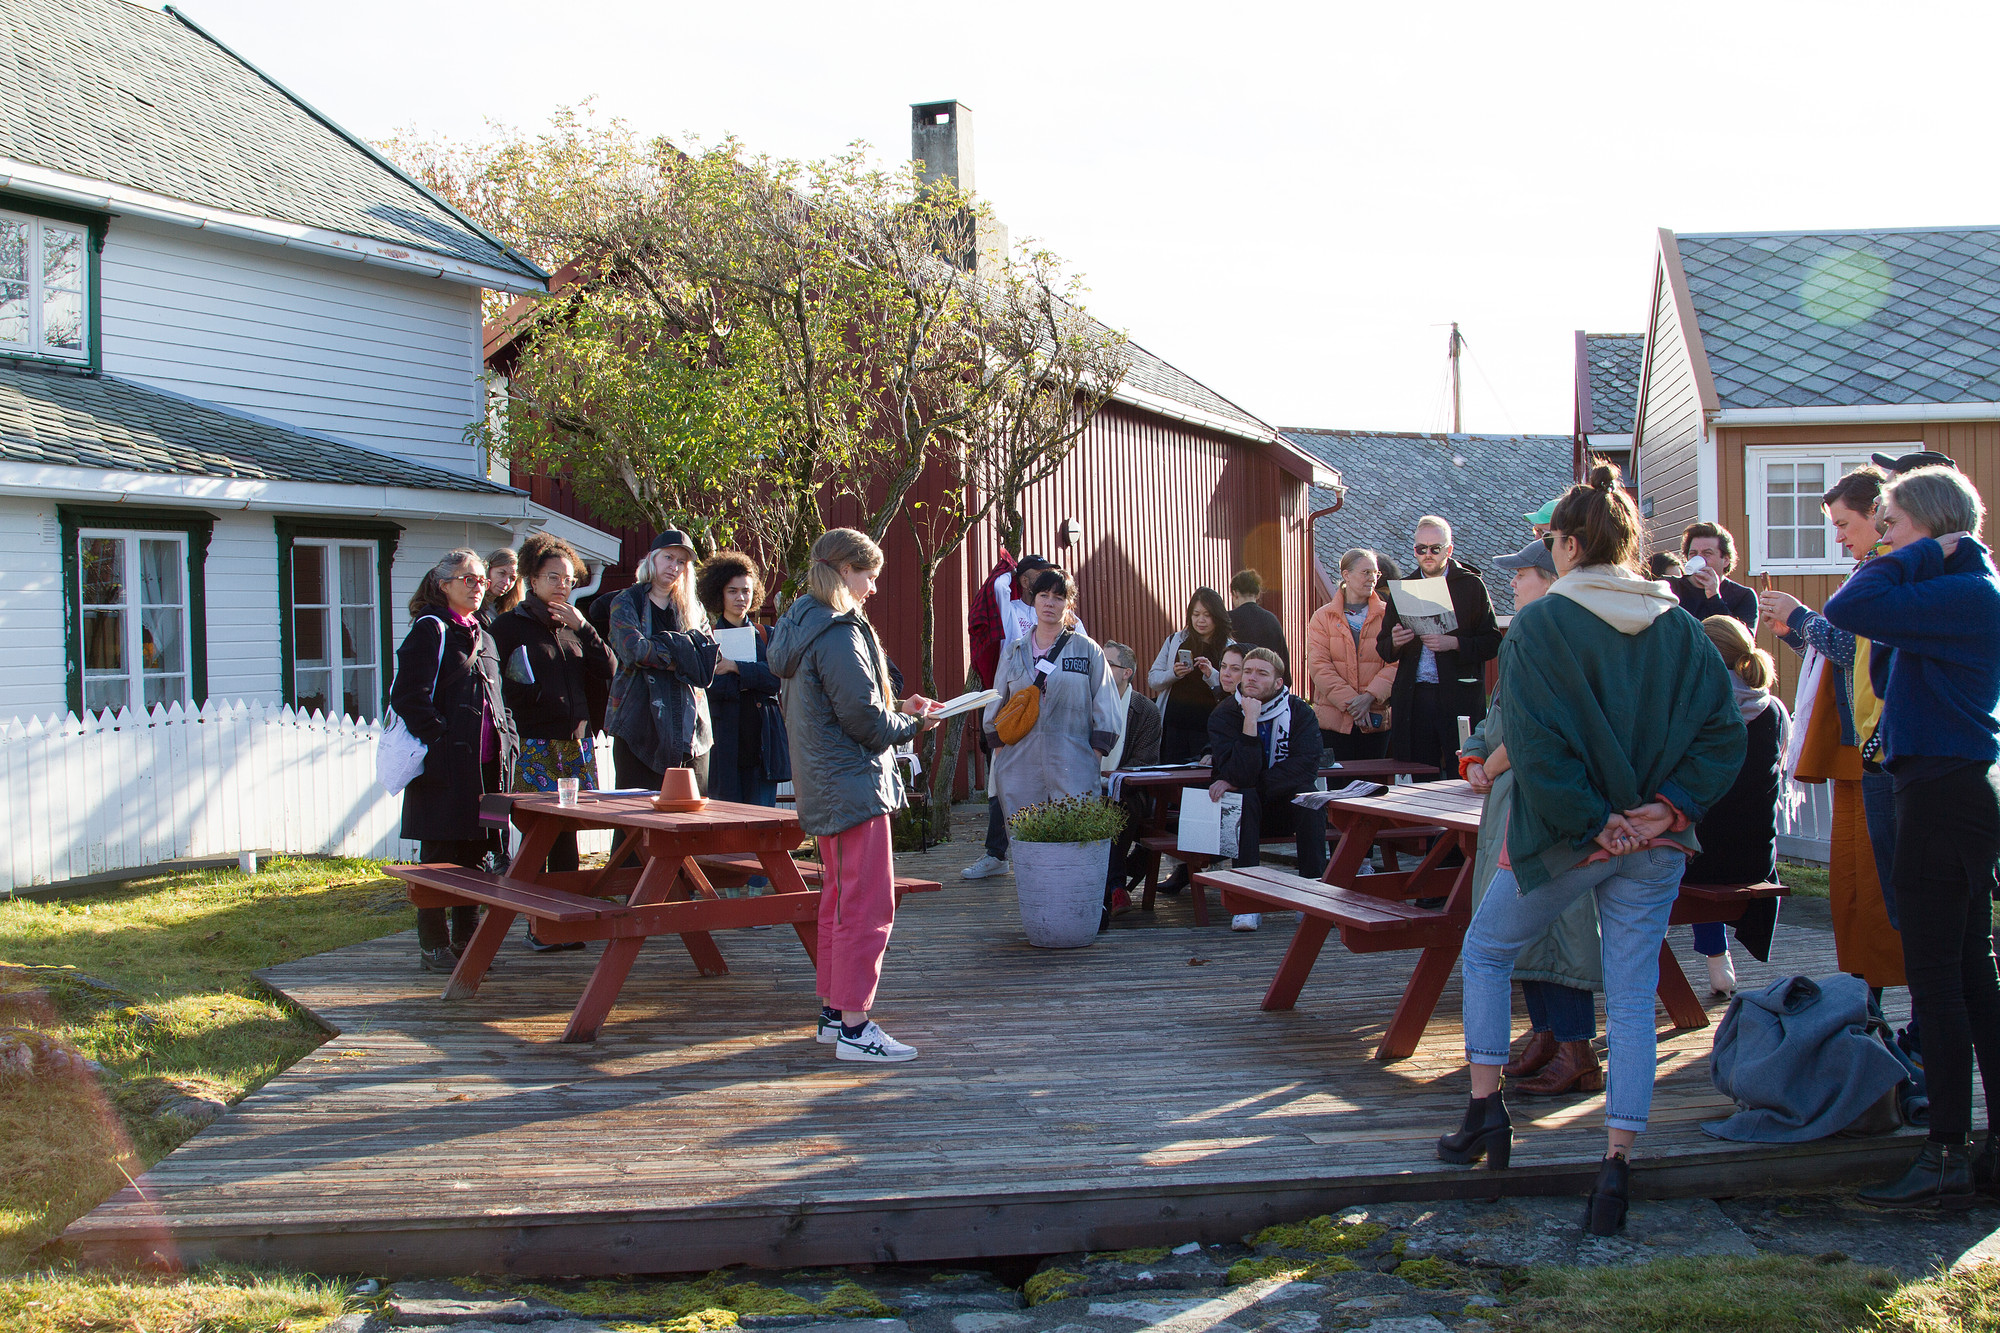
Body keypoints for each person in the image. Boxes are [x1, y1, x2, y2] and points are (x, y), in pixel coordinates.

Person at [1438, 464, 1744, 1238]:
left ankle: (1485, 1115)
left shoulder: (1540, 626)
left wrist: (1595, 822)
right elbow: (1725, 730)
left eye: (1550, 541)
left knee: (1486, 950)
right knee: (1634, 996)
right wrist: (1668, 807)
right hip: (1658, 838)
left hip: (1571, 838)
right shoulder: (1677, 624)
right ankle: (1616, 1167)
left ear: (1567, 544)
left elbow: (1535, 745)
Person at [1825, 465, 2000, 1210]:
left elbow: (1852, 601)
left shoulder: (1961, 589)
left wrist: (1934, 547)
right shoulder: (1961, 590)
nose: (1880, 538)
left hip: (1942, 790)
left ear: (1929, 526)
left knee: (1939, 977)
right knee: (1968, 977)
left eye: (1891, 523)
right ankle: (1977, 1153)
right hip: (1949, 788)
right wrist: (1937, 546)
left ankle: (1944, 1159)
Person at [769, 528, 938, 1063]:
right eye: (868, 575)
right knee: (867, 905)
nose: (872, 587)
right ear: (844, 571)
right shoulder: (838, 631)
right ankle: (855, 1027)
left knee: (839, 901)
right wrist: (910, 724)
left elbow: (846, 705)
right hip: (851, 785)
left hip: (828, 784)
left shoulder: (801, 621)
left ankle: (833, 1012)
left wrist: (898, 710)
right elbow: (862, 718)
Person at [1462, 536, 1606, 1099]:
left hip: (1544, 800)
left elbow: (1539, 728)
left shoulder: (1558, 637)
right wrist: (1474, 754)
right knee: (1522, 931)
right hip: (1510, 801)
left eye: (1521, 574)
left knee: (1560, 925)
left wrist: (1494, 763)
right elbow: (1498, 714)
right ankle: (1545, 1033)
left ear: (1549, 578)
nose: (1513, 583)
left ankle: (1576, 1045)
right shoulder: (1527, 635)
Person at [1756, 466, 1906, 995]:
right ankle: (1862, 991)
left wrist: (1800, 618)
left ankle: (1881, 997)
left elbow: (1853, 647)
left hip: (1874, 751)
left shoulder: (1889, 571)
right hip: (1852, 750)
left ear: (1878, 516)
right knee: (1850, 885)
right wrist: (1798, 635)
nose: (1838, 536)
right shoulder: (1873, 569)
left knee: (1874, 884)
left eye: (1844, 524)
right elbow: (1845, 660)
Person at [390, 549, 520, 973]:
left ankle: (469, 943)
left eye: (482, 580)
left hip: (488, 767)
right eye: (468, 579)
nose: (478, 586)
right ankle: (433, 947)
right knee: (439, 860)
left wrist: (509, 737)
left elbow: (498, 696)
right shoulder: (431, 629)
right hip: (447, 768)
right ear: (443, 583)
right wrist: (441, 740)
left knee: (481, 855)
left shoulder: (484, 631)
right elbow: (408, 696)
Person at [492, 532, 616, 951]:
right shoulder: (508, 626)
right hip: (533, 744)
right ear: (531, 578)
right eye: (552, 577)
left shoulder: (575, 625)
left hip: (575, 745)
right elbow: (500, 685)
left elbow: (609, 668)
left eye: (569, 578)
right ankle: (538, 925)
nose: (562, 585)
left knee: (570, 835)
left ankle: (567, 923)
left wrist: (584, 629)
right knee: (536, 837)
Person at [1682, 615, 1789, 996]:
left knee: (1659, 850)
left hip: (1701, 860)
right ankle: (1718, 962)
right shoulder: (1774, 710)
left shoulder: (1696, 708)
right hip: (1759, 857)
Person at [985, 565, 1122, 818]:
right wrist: (1002, 755)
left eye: (1058, 598)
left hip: (1074, 765)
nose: (1050, 603)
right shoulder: (1013, 652)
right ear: (1034, 600)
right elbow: (995, 703)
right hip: (1020, 766)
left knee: (1075, 839)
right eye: (1043, 596)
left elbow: (1107, 707)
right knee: (1025, 839)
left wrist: (1094, 756)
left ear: (1068, 605)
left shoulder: (1087, 650)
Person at [1207, 646, 1327, 933]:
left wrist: (1254, 784)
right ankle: (1247, 902)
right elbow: (1235, 773)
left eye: (1261, 673)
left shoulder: (1299, 712)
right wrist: (1250, 721)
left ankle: (1312, 896)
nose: (1251, 678)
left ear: (1277, 683)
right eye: (1247, 671)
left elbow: (1305, 766)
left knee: (1308, 796)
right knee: (1244, 797)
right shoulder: (1224, 714)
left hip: (1283, 803)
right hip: (1243, 813)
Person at [1377, 515, 1501, 779]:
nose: (1428, 554)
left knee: (1463, 774)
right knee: (1421, 775)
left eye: (1435, 548)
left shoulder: (1470, 585)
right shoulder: (1404, 587)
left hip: (1458, 695)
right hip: (1415, 697)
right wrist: (1396, 643)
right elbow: (1383, 648)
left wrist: (1454, 643)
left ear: (1449, 550)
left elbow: (1492, 642)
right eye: (1421, 549)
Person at [962, 554, 1059, 881]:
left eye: (1047, 583)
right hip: (1015, 713)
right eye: (1032, 580)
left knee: (1051, 787)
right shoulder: (1013, 611)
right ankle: (996, 854)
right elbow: (997, 590)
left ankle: (1048, 855)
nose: (1039, 588)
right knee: (1000, 785)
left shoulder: (1065, 619)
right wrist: (1007, 568)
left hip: (1053, 718)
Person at [606, 530, 717, 791]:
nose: (674, 566)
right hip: (639, 723)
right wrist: (681, 652)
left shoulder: (693, 608)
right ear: (652, 559)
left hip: (692, 729)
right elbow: (634, 650)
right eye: (668, 557)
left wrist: (663, 651)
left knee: (691, 816)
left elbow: (710, 658)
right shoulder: (627, 601)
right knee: (634, 819)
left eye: (681, 562)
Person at [696, 550, 786, 810]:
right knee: (726, 826)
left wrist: (734, 667)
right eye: (732, 591)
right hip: (724, 746)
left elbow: (776, 679)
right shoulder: (707, 639)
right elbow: (708, 687)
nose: (740, 597)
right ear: (719, 594)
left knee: (760, 823)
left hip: (762, 746)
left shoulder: (767, 635)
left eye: (745, 591)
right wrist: (753, 675)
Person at [1307, 548, 1396, 761]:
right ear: (1346, 575)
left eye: (1376, 573)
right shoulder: (1323, 617)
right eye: (1366, 572)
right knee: (1340, 788)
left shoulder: (1389, 615)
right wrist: (1354, 704)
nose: (1372, 578)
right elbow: (1319, 666)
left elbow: (1396, 662)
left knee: (1374, 787)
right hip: (1334, 721)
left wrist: (1369, 697)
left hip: (1376, 720)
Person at [1101, 640, 1162, 919]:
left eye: (1108, 664)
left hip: (1127, 790)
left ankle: (1111, 887)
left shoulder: (1146, 710)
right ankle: (1115, 886)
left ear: (1126, 672)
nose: (1100, 668)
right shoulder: (1087, 700)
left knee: (1119, 806)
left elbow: (1144, 762)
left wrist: (1112, 780)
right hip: (1086, 786)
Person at [1149, 588, 1232, 762]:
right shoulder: (1175, 640)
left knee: (1201, 782)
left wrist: (1211, 674)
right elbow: (1153, 680)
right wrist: (1174, 673)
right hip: (1174, 726)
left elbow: (1235, 687)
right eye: (1196, 614)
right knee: (1172, 779)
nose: (1200, 620)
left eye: (1207, 615)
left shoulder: (1229, 647)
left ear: (1217, 616)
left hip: (1208, 729)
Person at [1669, 522, 1757, 631]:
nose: (1699, 559)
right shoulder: (1670, 588)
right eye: (1693, 554)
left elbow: (1742, 643)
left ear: (1725, 560)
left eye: (1707, 553)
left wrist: (1714, 596)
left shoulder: (1743, 596)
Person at [1227, 569, 1290, 669]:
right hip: (1267, 679)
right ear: (1257, 594)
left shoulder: (1227, 620)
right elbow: (1283, 661)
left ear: (1235, 593)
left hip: (1237, 681)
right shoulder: (1272, 620)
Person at [476, 547, 521, 632]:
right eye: (501, 573)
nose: (506, 582)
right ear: (487, 570)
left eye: (512, 578)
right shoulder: (472, 606)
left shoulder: (511, 612)